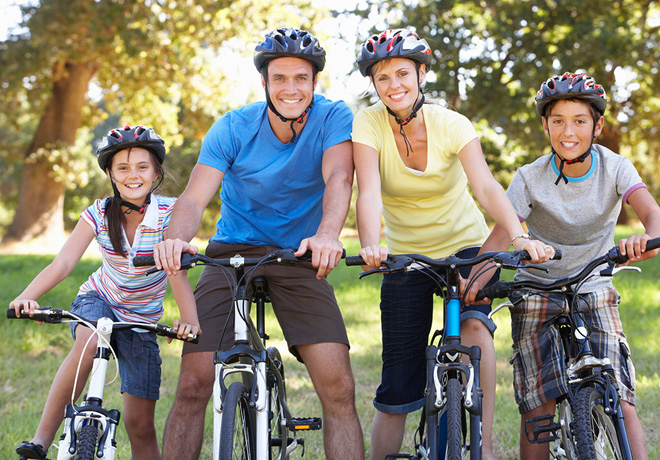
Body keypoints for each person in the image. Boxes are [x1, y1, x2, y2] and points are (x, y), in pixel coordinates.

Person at [152, 28, 364, 460]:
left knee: (339, 386)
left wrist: (327, 235)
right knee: (193, 384)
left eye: (300, 78)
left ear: (314, 83)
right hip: (232, 251)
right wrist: (175, 238)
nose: (291, 88)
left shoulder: (333, 117)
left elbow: (339, 177)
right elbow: (193, 197)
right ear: (264, 82)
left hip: (299, 252)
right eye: (280, 78)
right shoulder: (232, 127)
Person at [352, 28, 553, 460]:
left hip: (464, 248)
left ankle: (484, 444)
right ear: (373, 83)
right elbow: (367, 191)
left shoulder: (451, 123)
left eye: (403, 73)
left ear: (421, 73)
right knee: (398, 379)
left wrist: (517, 235)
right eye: (382, 78)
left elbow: (484, 185)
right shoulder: (367, 123)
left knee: (477, 330)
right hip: (405, 256)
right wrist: (371, 244)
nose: (394, 85)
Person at [465, 72, 660, 460]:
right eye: (558, 121)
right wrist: (477, 279)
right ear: (545, 125)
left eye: (580, 121)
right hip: (537, 287)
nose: (568, 131)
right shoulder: (529, 178)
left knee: (618, 392)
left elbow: (651, 213)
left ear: (598, 125)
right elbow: (502, 237)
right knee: (538, 403)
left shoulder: (616, 167)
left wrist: (646, 239)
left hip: (594, 283)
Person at [11, 125, 200, 460]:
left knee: (139, 424)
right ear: (111, 174)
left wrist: (189, 321)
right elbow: (64, 262)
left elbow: (176, 273)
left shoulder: (170, 213)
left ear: (156, 172)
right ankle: (42, 439)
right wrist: (28, 296)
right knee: (89, 336)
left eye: (142, 167)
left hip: (142, 321)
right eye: (123, 168)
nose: (133, 175)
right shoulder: (99, 212)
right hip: (99, 299)